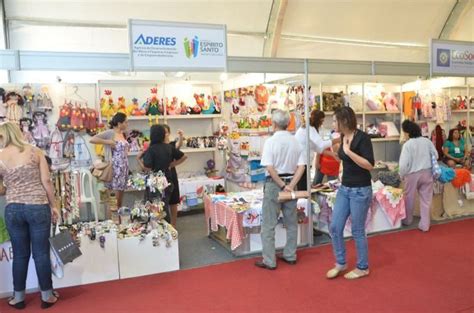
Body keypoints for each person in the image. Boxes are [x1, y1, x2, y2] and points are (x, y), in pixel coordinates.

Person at [0, 122, 60, 309]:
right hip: (37, 206)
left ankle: (18, 298)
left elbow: (1, 189)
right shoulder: (35, 152)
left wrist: (11, 185)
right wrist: (54, 205)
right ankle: (47, 296)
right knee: (41, 253)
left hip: (13, 208)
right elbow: (47, 180)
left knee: (19, 255)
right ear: (18, 133)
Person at [327, 106, 374, 280]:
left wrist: (347, 151)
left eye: (334, 120)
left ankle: (363, 267)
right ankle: (341, 262)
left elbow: (369, 164)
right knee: (335, 226)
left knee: (357, 230)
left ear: (344, 121)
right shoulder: (342, 136)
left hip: (360, 190)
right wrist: (336, 154)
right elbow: (345, 161)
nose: (332, 124)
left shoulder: (362, 138)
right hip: (345, 188)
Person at [255, 109, 306, 270]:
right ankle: (290, 255)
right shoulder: (295, 141)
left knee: (269, 225)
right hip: (291, 182)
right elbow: (302, 166)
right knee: (291, 222)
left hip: (274, 185)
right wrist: (290, 185)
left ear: (274, 123)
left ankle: (269, 260)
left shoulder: (270, 142)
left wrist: (283, 186)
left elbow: (269, 168)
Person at [137, 124, 187, 224]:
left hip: (155, 183)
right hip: (168, 181)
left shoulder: (151, 149)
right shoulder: (168, 147)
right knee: (164, 206)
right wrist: (172, 164)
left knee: (156, 207)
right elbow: (184, 156)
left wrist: (138, 159)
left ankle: (161, 229)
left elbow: (147, 168)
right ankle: (168, 228)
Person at [399, 120, 438, 232]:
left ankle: (407, 220)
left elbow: (403, 165)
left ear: (407, 132)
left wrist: (401, 174)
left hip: (412, 174)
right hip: (427, 172)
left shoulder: (407, 145)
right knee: (426, 199)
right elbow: (436, 154)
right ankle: (425, 224)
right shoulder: (427, 141)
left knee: (409, 198)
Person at [90, 112, 129, 210]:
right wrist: (107, 142)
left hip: (123, 169)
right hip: (114, 169)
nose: (127, 124)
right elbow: (93, 139)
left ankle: (119, 222)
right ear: (119, 123)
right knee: (113, 202)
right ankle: (113, 222)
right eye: (125, 122)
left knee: (119, 201)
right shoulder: (111, 133)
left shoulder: (123, 134)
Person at [295, 110, 339, 190]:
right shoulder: (309, 128)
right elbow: (321, 145)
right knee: (304, 189)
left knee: (306, 188)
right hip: (302, 163)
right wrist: (338, 140)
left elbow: (318, 148)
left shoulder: (309, 129)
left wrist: (332, 154)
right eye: (321, 121)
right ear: (318, 120)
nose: (322, 123)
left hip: (304, 163)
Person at [162, 125, 186, 227]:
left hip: (171, 174)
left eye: (167, 132)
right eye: (163, 132)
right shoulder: (157, 145)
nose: (165, 134)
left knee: (173, 200)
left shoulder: (171, 145)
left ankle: (173, 224)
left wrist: (181, 136)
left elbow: (178, 146)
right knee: (161, 201)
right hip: (160, 176)